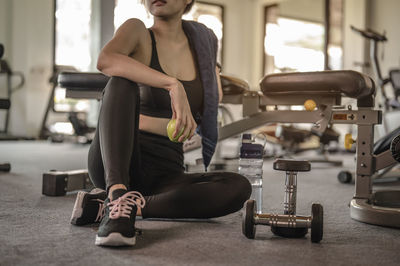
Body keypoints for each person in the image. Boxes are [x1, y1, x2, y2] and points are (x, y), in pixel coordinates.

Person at [70, 0, 251, 247]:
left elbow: (211, 100)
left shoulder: (203, 46)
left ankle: (119, 207)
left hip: (166, 169)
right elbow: (106, 60)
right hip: (120, 159)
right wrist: (172, 85)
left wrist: (212, 68)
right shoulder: (137, 32)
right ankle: (117, 194)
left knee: (237, 186)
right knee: (121, 81)